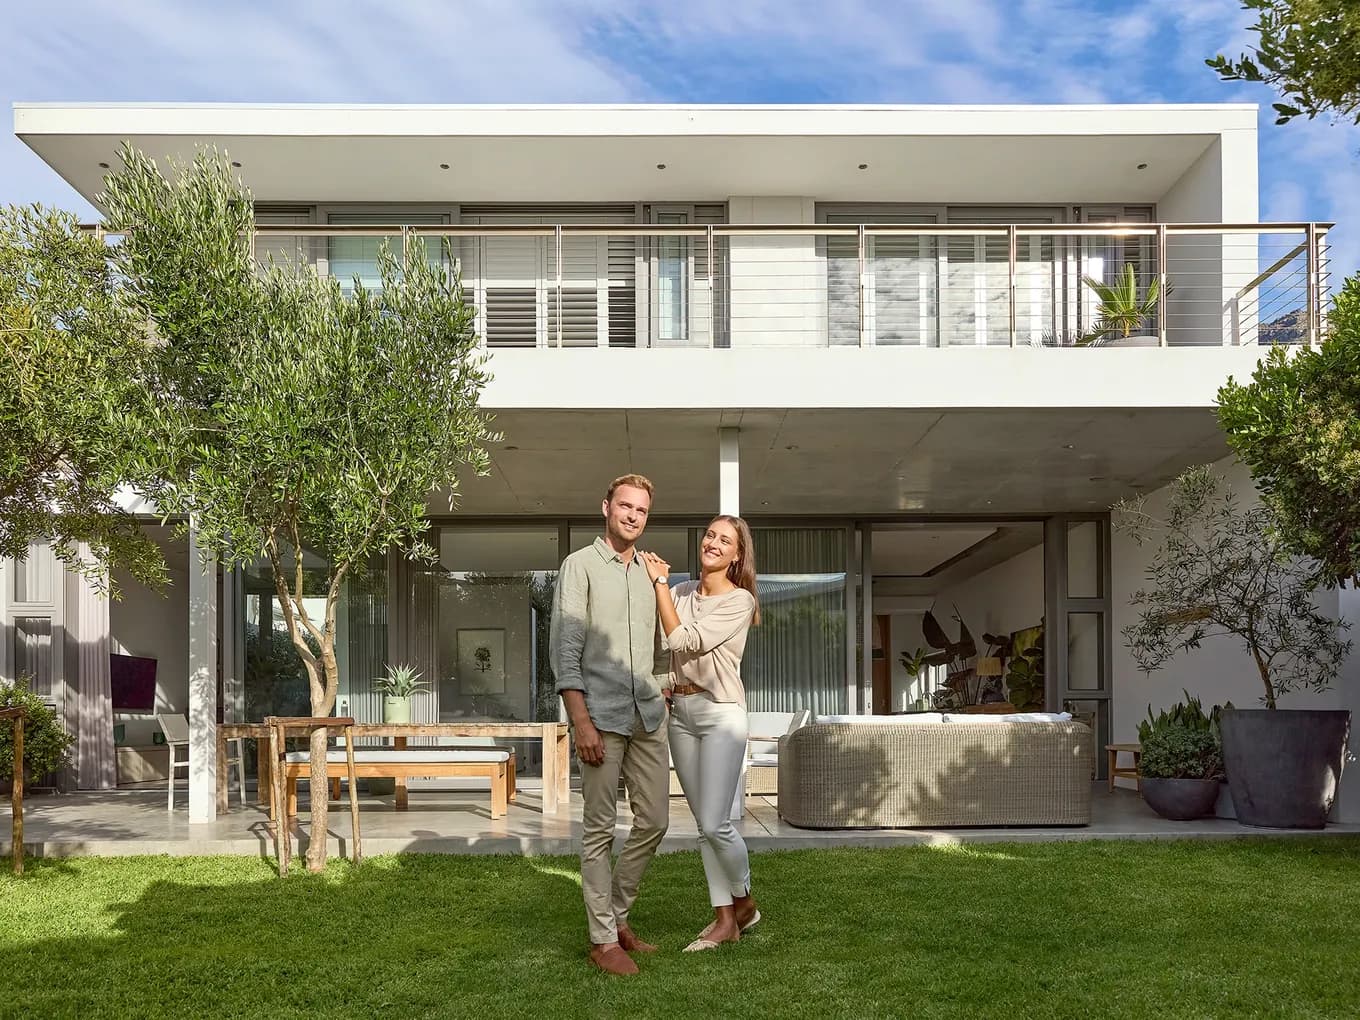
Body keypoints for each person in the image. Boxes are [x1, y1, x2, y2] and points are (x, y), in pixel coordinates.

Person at [549, 473, 671, 976]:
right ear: (606, 508)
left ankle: (616, 916)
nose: (632, 516)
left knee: (656, 820)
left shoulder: (649, 571)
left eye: (641, 510)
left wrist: (664, 685)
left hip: (647, 714)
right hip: (599, 715)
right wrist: (581, 721)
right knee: (599, 830)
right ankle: (602, 940)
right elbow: (565, 651)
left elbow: (661, 646)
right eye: (625, 506)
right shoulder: (578, 567)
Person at [640, 515, 761, 952]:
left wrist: (656, 584)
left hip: (721, 714)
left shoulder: (740, 601)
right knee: (702, 828)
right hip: (682, 714)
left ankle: (744, 902)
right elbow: (659, 651)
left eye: (724, 540)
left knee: (715, 822)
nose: (713, 543)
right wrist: (664, 688)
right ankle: (724, 918)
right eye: (710, 535)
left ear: (736, 554)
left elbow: (682, 641)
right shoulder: (680, 593)